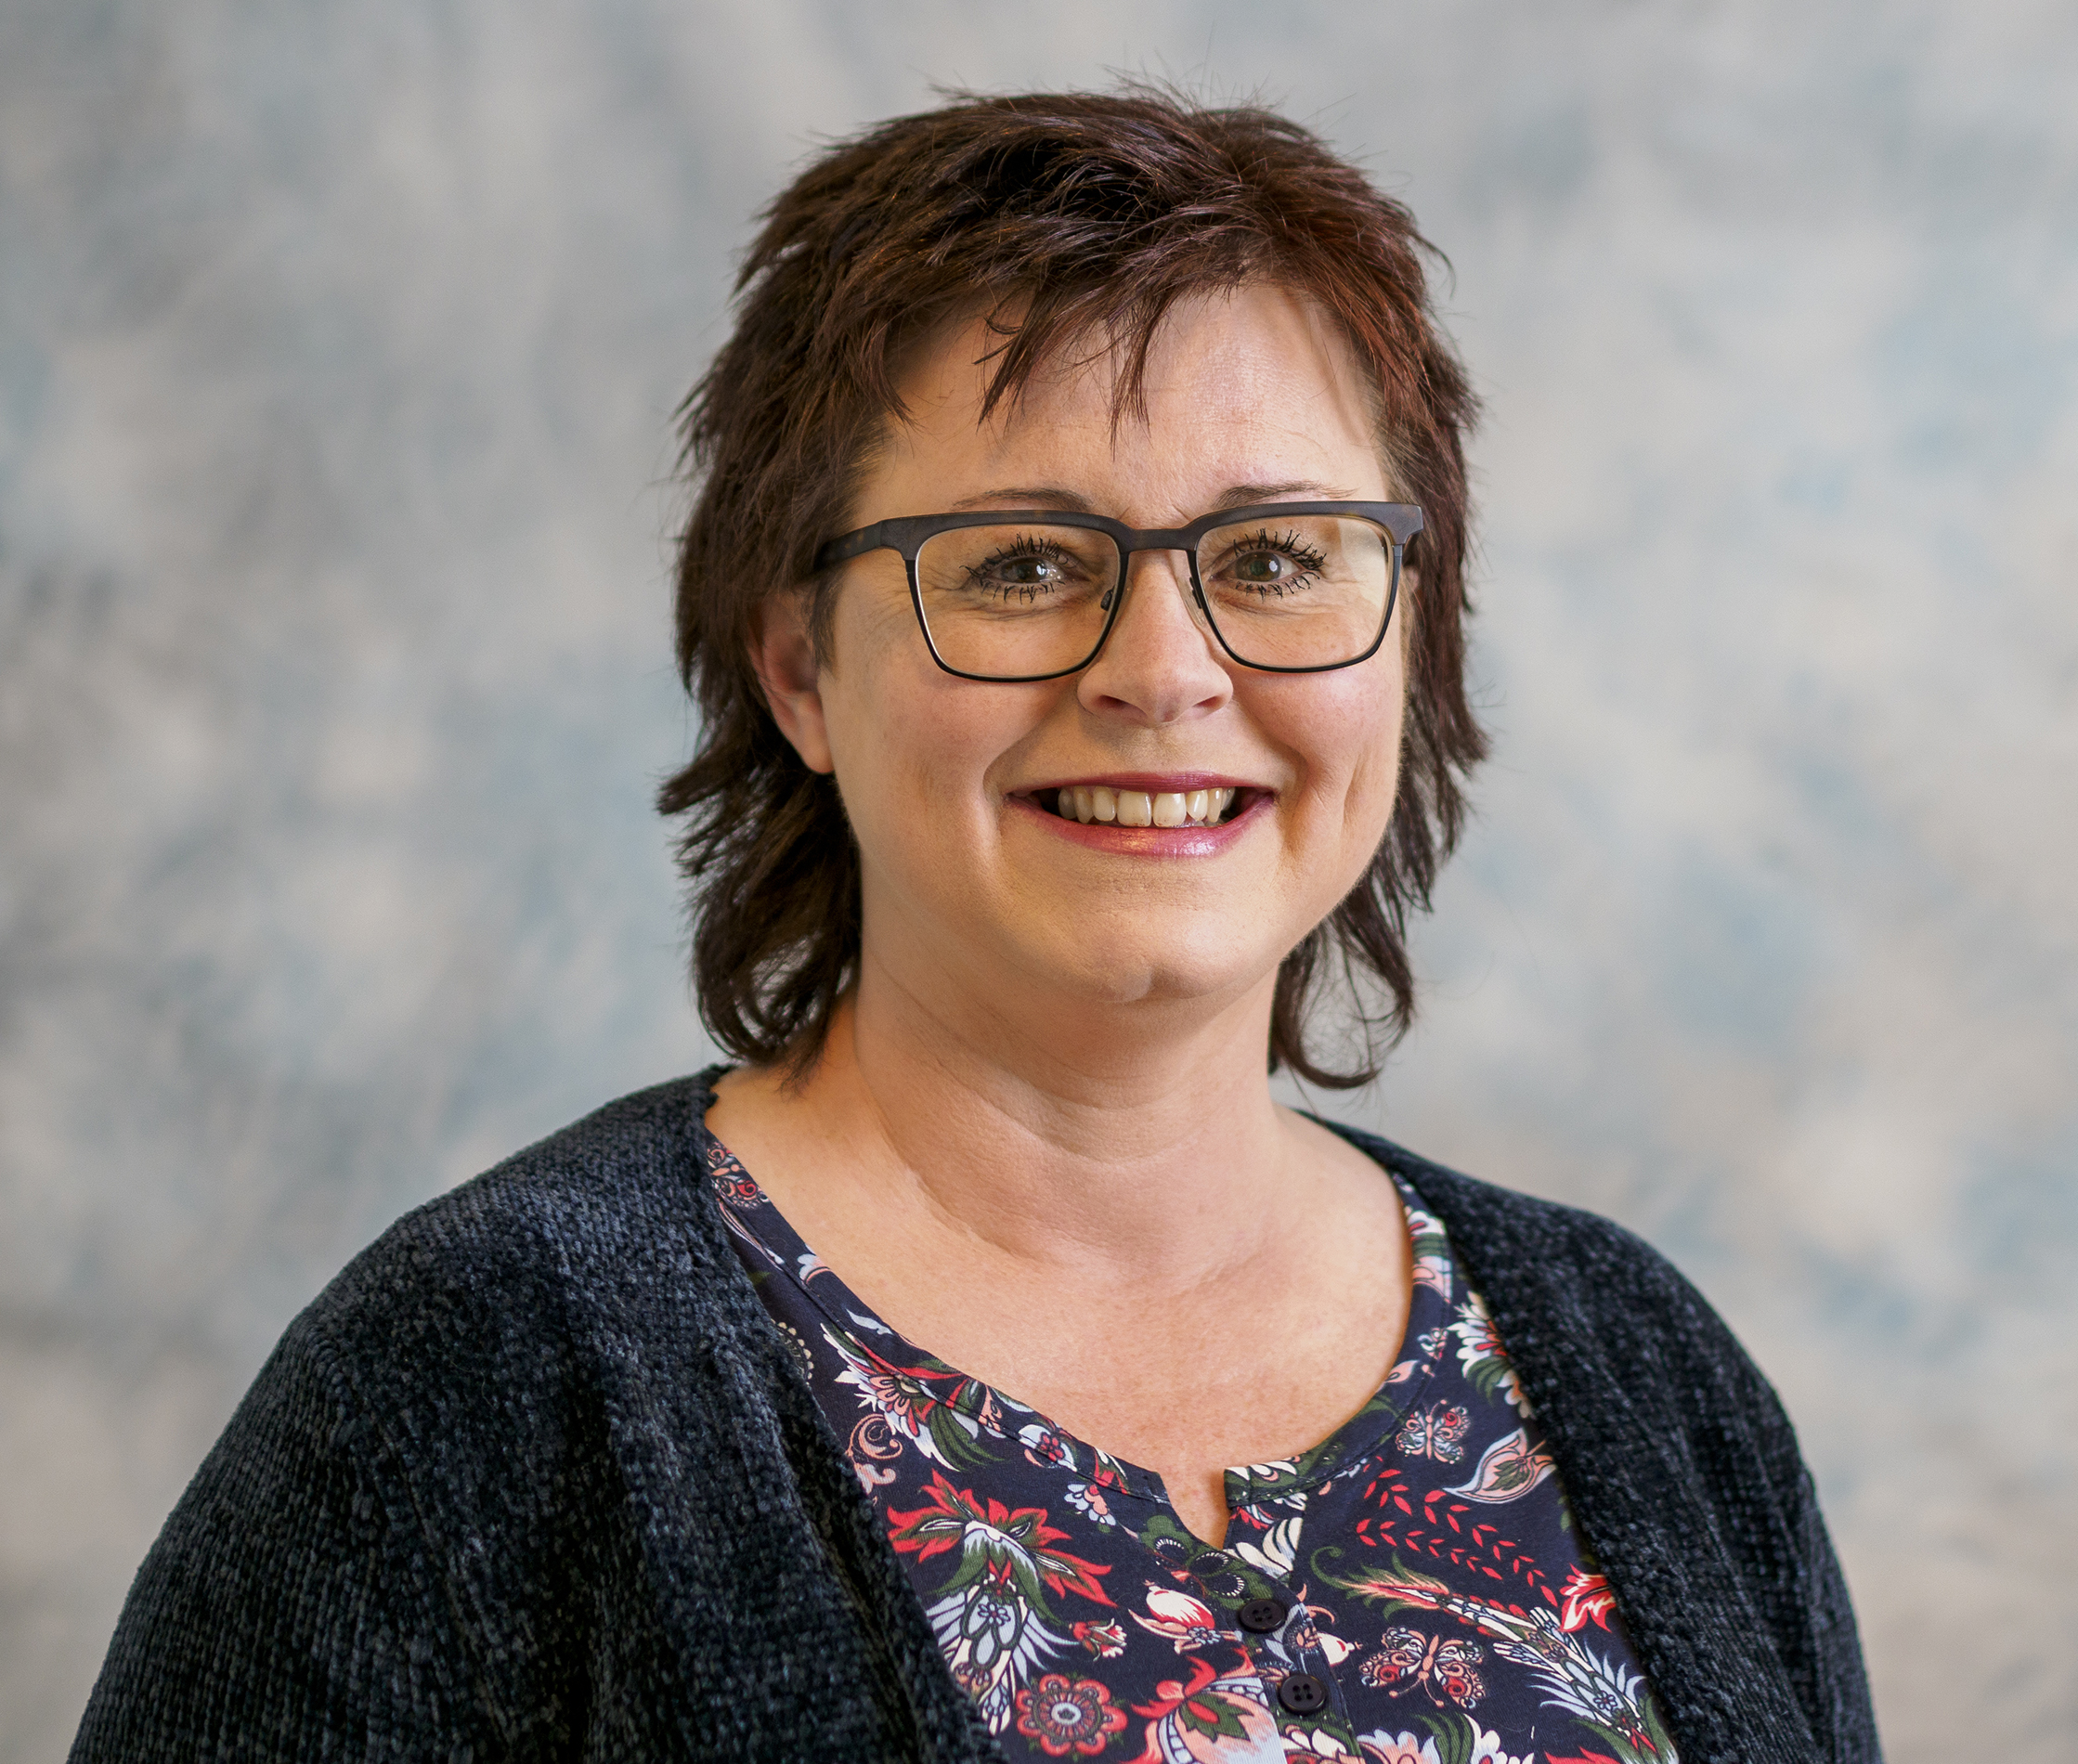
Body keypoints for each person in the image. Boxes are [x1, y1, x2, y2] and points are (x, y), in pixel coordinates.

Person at [74, 90, 1879, 1764]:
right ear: (800, 668)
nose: (1164, 673)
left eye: (1272, 559)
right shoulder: (478, 1374)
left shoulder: (1639, 1362)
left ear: (1411, 632)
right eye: (1021, 563)